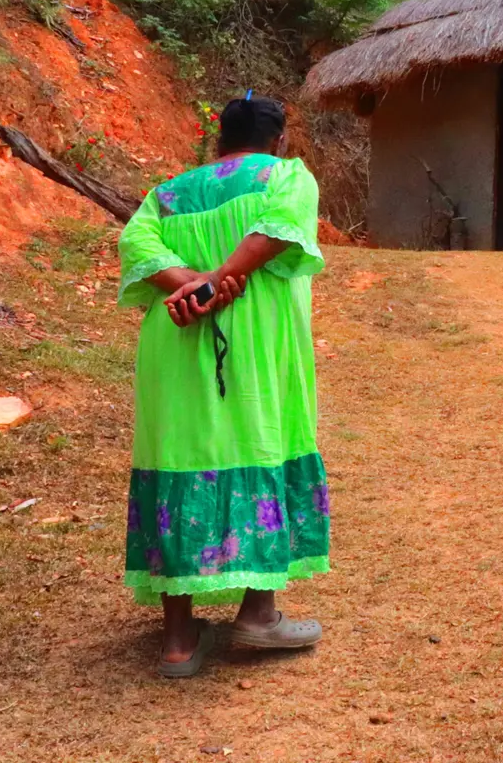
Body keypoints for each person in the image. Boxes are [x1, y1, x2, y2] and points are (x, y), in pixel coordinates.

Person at [115, 96, 330, 677]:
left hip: (176, 344)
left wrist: (192, 288)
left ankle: (180, 641)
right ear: (279, 140)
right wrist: (216, 284)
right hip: (259, 345)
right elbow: (278, 230)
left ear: (218, 143)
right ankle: (258, 616)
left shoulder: (167, 193)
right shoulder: (287, 175)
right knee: (261, 443)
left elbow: (137, 247)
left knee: (178, 456)